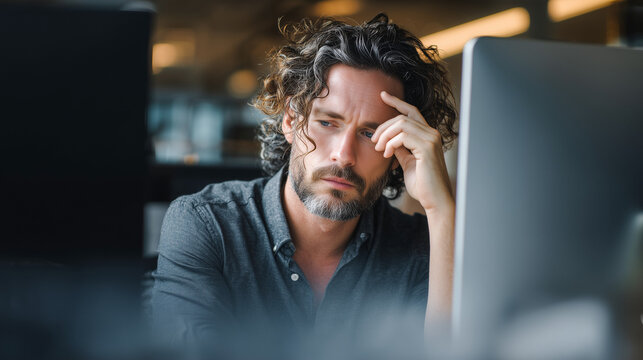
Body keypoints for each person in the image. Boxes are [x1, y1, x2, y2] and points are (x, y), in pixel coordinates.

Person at [150, 13, 458, 357]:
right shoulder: (207, 225)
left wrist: (441, 210)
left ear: (399, 149)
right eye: (327, 122)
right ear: (291, 121)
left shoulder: (424, 246)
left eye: (371, 134)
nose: (344, 156)